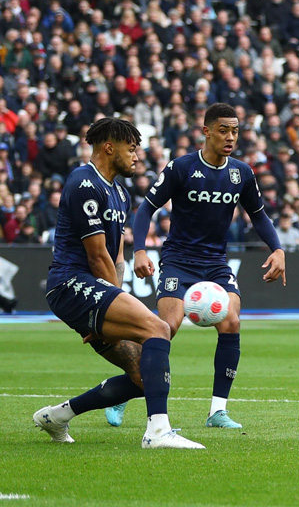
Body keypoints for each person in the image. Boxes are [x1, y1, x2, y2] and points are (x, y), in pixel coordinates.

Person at [105, 103, 286, 429]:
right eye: (223, 130)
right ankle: (124, 391)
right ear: (206, 131)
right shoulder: (181, 168)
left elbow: (257, 215)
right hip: (178, 261)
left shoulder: (241, 173)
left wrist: (278, 249)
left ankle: (218, 411)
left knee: (231, 321)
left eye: (235, 131)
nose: (230, 137)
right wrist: (141, 250)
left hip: (216, 264)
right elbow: (146, 209)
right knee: (165, 328)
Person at [33, 118, 203, 449]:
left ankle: (56, 417)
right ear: (109, 147)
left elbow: (117, 256)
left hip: (94, 291)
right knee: (158, 329)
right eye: (131, 148)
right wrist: (113, 300)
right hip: (70, 284)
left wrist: (112, 308)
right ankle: (157, 432)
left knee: (145, 376)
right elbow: (97, 257)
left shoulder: (120, 194)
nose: (136, 156)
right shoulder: (84, 183)